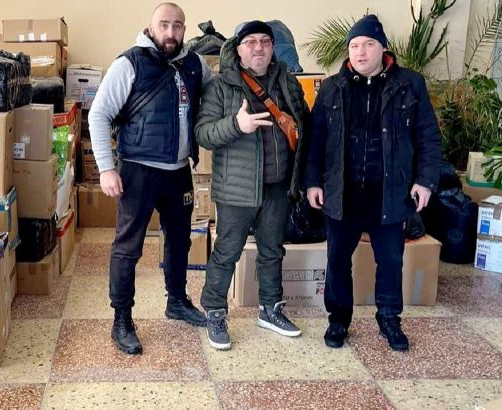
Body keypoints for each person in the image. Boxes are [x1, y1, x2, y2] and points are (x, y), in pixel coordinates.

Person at [304, 15, 442, 351]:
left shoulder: (410, 84)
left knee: (391, 261)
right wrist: (312, 182)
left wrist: (425, 181)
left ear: (383, 48)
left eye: (368, 44)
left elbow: (428, 137)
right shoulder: (332, 87)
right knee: (338, 259)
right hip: (343, 191)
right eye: (354, 46)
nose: (360, 52)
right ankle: (338, 320)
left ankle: (390, 319)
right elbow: (315, 141)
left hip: (389, 191)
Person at [88, 2, 213, 355]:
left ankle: (177, 301)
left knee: (180, 240)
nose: (171, 32)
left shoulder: (195, 64)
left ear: (184, 28)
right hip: (137, 172)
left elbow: (217, 93)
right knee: (128, 248)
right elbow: (98, 115)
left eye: (178, 25)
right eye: (164, 25)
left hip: (179, 172)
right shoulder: (129, 63)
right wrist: (106, 168)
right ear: (150, 26)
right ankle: (122, 319)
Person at [195, 21, 310, 351]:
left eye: (265, 41)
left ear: (273, 47)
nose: (258, 47)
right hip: (237, 188)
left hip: (277, 187)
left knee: (272, 251)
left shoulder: (286, 82)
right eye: (250, 42)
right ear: (239, 48)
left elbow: (305, 126)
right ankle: (215, 312)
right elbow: (203, 133)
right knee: (227, 252)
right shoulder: (221, 86)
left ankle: (270, 309)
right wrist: (236, 124)